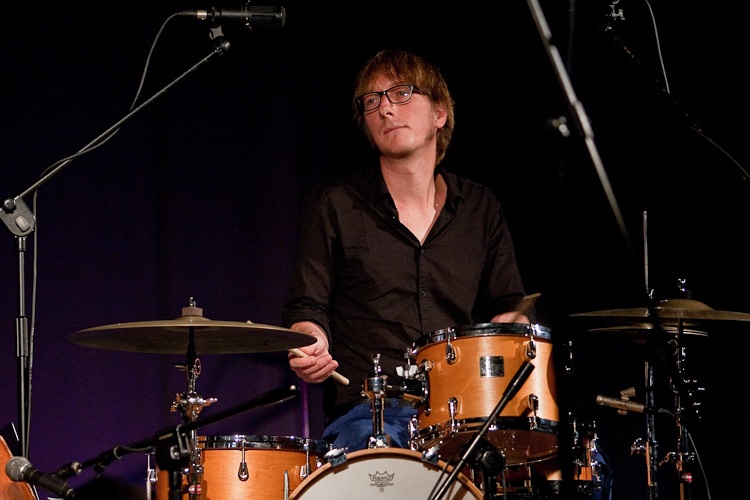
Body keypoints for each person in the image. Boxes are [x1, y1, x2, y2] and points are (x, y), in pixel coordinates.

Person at [282, 48, 533, 453]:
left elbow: (509, 303)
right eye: (372, 100)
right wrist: (310, 340)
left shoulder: (479, 207)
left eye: (401, 94)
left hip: (464, 408)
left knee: (574, 463)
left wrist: (513, 321)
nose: (385, 108)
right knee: (378, 459)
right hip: (370, 410)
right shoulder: (335, 203)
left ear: (440, 113)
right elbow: (306, 306)